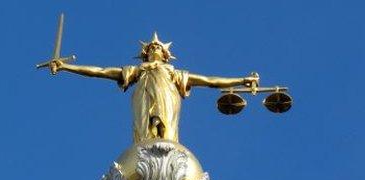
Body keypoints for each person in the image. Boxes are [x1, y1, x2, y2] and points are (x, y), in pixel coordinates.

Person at [50, 33, 258, 143]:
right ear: (145, 53)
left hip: (167, 96)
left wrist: (241, 80)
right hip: (143, 95)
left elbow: (209, 80)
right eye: (151, 48)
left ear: (166, 54)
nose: (154, 49)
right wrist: (67, 66)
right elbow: (101, 71)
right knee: (144, 131)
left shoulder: (173, 72)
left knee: (165, 129)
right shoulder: (137, 70)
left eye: (158, 47)